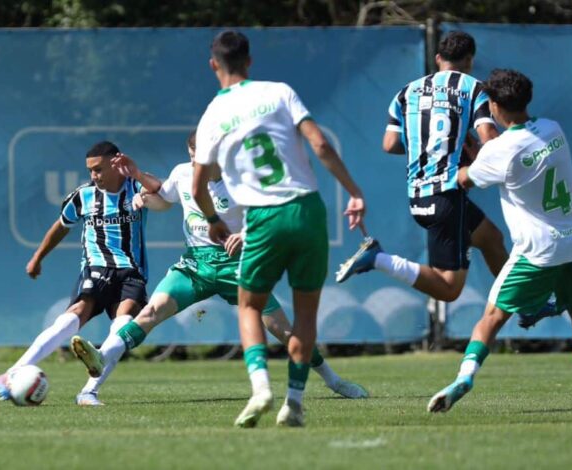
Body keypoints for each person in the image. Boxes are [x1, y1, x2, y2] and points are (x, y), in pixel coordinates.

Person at [70, 132, 368, 406]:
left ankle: (333, 380)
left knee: (283, 330)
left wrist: (246, 235)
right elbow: (164, 195)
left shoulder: (245, 181)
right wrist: (139, 184)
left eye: (200, 158)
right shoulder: (184, 173)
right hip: (196, 265)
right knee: (148, 314)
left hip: (237, 266)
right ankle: (92, 382)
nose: (194, 164)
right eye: (191, 156)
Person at [191, 30, 367, 427]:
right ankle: (295, 401)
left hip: (263, 218)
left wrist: (214, 220)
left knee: (250, 304)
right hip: (307, 211)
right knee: (306, 314)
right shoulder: (279, 91)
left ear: (213, 65)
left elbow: (197, 187)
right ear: (250, 62)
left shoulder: (212, 116)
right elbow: (320, 145)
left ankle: (260, 388)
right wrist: (354, 192)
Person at [335, 32, 560, 328]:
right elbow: (489, 138)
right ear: (469, 60)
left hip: (421, 194)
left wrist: (425, 146)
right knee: (449, 288)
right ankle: (378, 259)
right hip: (445, 195)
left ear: (439, 59)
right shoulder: (473, 88)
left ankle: (528, 305)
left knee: (492, 240)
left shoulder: (406, 92)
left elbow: (389, 144)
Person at [427, 69, 572, 412]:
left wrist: (467, 160)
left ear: (494, 106)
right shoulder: (554, 129)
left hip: (540, 250)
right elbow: (516, 156)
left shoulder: (500, 152)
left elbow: (465, 179)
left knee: (493, 315)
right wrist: (485, 153)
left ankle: (464, 377)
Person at [0, 141, 161, 401]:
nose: (94, 176)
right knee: (73, 317)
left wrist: (136, 172)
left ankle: (88, 392)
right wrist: (38, 258)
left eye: (99, 169)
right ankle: (13, 372)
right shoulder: (83, 196)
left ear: (116, 163)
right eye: (91, 171)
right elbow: (61, 226)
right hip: (97, 267)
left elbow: (159, 190)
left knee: (123, 325)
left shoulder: (136, 188)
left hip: (132, 271)